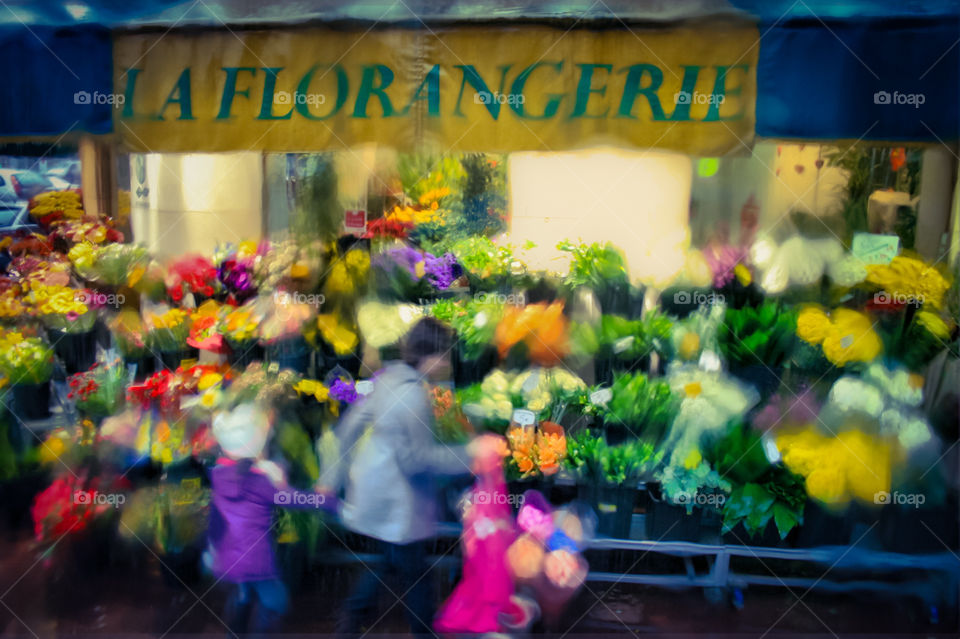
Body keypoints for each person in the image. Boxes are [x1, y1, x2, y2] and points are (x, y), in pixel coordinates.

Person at [329, 318, 474, 638]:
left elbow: (351, 424)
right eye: (445, 356)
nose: (448, 363)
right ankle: (417, 632)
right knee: (416, 574)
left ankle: (350, 622)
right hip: (398, 501)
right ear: (430, 355)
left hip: (376, 494)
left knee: (388, 562)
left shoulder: (389, 378)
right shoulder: (413, 397)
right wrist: (472, 455)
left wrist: (336, 474)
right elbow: (417, 460)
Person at [208, 402, 334, 637]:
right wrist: (330, 502)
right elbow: (296, 500)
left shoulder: (218, 475)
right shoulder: (261, 482)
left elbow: (215, 518)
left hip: (228, 558)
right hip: (257, 560)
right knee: (276, 601)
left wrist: (211, 547)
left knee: (241, 597)